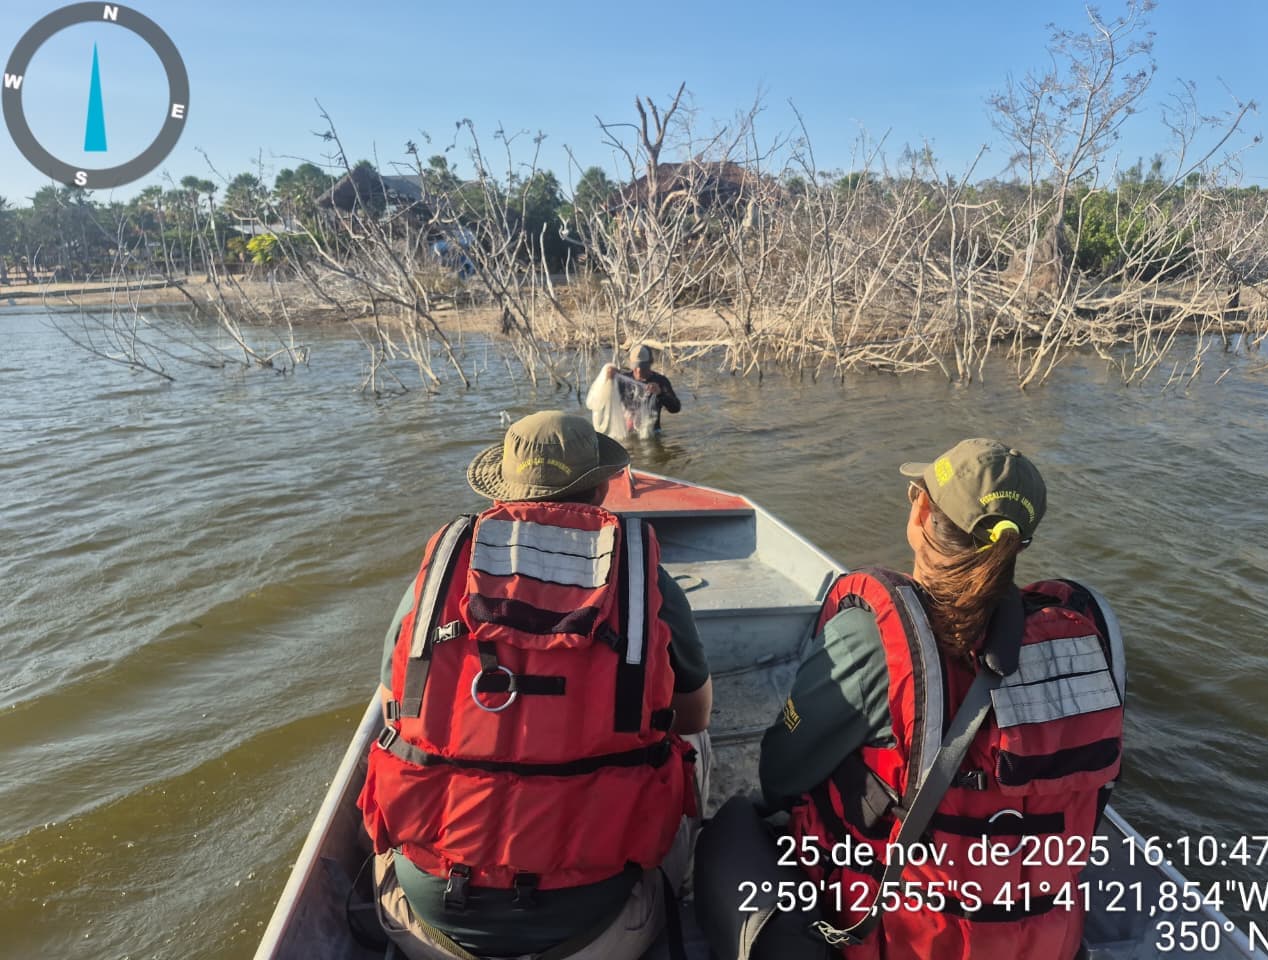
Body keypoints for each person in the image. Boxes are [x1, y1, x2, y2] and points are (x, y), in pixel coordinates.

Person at [359, 411, 713, 960]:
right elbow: (694, 716)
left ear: (502, 490)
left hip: (431, 932)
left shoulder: (442, 567)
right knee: (686, 738)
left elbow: (393, 710)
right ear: (601, 487)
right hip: (595, 936)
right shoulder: (645, 574)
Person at [758, 439, 1125, 960]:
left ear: (921, 511)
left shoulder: (871, 638)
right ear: (1019, 544)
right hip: (1043, 943)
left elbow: (778, 776)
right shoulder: (1083, 641)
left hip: (905, 942)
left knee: (731, 837)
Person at [605, 344, 681, 433]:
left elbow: (675, 408)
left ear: (650, 363)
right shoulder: (622, 380)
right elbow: (604, 399)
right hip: (628, 433)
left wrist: (660, 393)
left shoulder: (660, 381)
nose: (639, 371)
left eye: (643, 367)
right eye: (635, 367)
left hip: (652, 433)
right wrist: (608, 380)